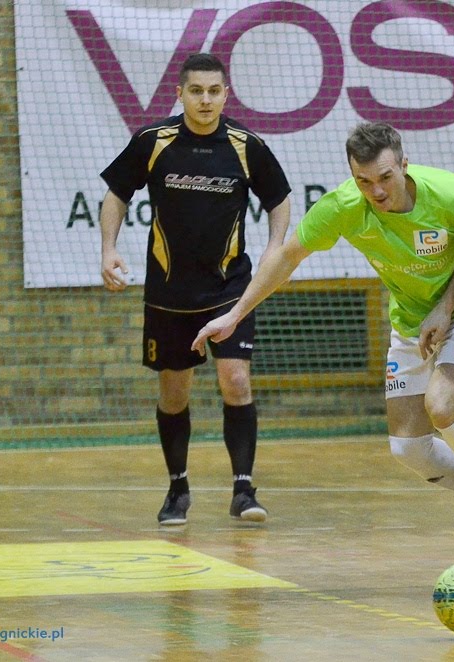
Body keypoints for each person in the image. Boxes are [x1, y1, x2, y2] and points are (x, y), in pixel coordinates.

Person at [192, 122, 454, 562]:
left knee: (442, 406)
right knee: (407, 449)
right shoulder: (343, 206)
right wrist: (235, 314)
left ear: (404, 163)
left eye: (385, 178)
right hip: (411, 320)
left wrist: (447, 304)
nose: (376, 191)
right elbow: (287, 257)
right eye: (364, 180)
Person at [99, 53, 292, 526]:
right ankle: (177, 489)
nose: (205, 100)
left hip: (230, 287)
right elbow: (116, 195)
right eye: (196, 91)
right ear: (180, 94)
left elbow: (280, 199)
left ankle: (244, 490)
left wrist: (275, 248)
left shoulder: (246, 146)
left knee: (237, 379)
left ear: (226, 94)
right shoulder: (154, 141)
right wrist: (108, 249)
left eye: (213, 91)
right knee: (174, 393)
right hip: (169, 292)